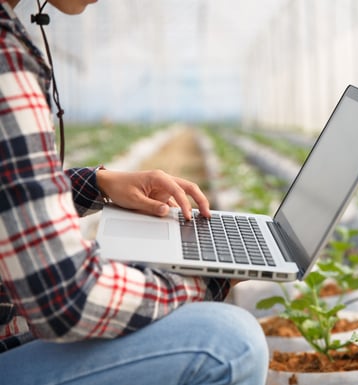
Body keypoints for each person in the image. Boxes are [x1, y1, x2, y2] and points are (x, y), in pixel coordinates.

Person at [0, 0, 269, 384]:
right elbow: (67, 301)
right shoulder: (5, 63)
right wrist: (205, 283)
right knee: (228, 341)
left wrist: (98, 183)